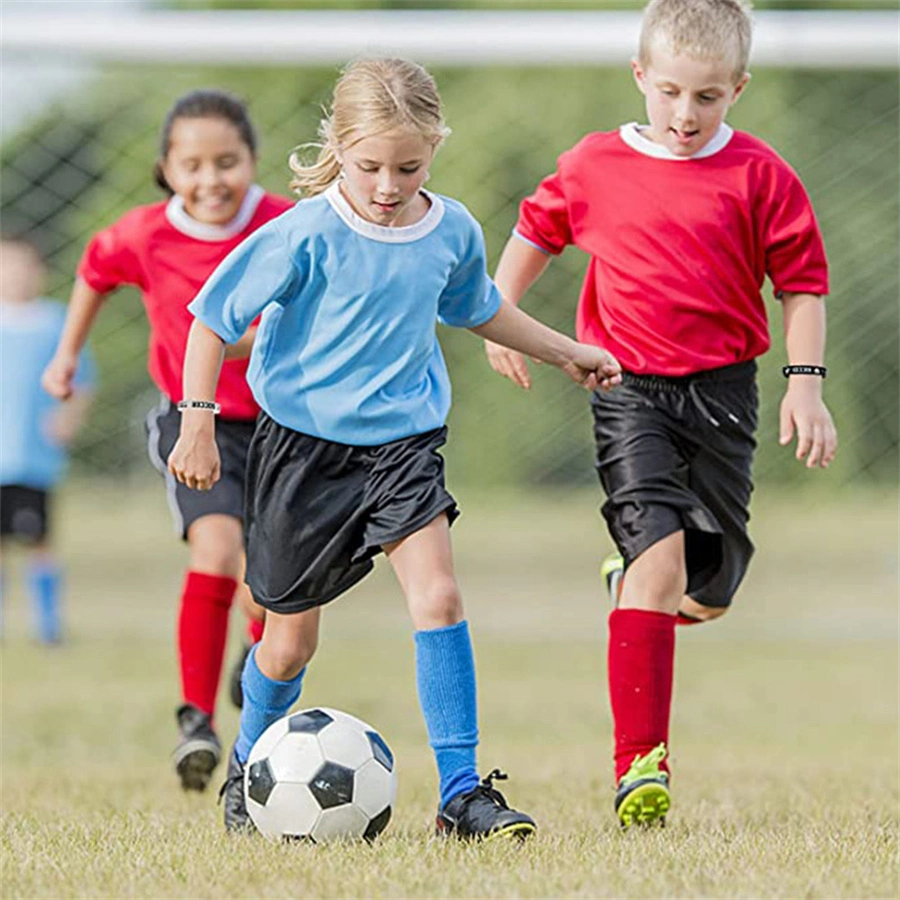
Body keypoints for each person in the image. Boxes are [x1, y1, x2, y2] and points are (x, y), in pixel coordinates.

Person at [167, 57, 621, 839]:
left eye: (408, 167)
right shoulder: (303, 233)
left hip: (403, 449)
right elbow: (210, 320)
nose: (387, 184)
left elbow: (478, 307)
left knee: (439, 598)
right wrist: (198, 420)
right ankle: (247, 767)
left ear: (435, 149)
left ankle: (461, 792)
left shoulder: (449, 229)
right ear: (338, 147)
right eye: (370, 165)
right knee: (287, 642)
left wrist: (563, 350)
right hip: (301, 454)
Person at [485, 0, 836, 829]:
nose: (685, 114)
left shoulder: (761, 175)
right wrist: (500, 310)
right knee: (659, 567)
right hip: (625, 388)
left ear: (737, 90)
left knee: (706, 591)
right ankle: (640, 766)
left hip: (724, 394)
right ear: (640, 76)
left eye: (707, 97)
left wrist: (805, 382)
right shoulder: (593, 164)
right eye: (671, 91)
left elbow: (803, 285)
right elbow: (537, 228)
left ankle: (642, 587)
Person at [42, 89, 293, 793]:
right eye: (193, 164)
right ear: (166, 169)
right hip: (195, 422)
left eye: (227, 161)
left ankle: (256, 666)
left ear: (252, 160)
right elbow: (94, 271)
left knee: (273, 583)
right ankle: (196, 720)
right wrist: (66, 354)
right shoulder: (144, 233)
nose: (210, 179)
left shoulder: (287, 225)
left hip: (286, 425)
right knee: (217, 552)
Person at [0, 237, 94, 644]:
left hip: (33, 457)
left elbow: (84, 379)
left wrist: (69, 416)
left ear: (39, 272)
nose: (15, 275)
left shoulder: (56, 321)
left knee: (38, 540)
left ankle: (49, 625)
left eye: (23, 266)